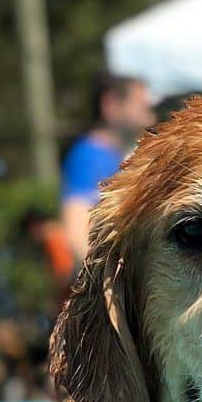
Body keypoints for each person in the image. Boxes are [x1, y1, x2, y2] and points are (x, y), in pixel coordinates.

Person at [60, 73, 156, 266]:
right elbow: (76, 233)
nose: (150, 114)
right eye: (140, 103)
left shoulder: (113, 156)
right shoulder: (90, 157)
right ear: (110, 105)